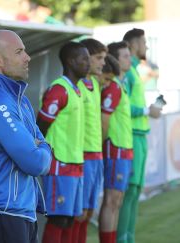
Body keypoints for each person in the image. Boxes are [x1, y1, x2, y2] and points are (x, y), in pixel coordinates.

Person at [0, 30, 51, 243]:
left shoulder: (20, 101)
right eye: (19, 52)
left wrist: (40, 147)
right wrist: (42, 148)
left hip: (20, 211)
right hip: (0, 214)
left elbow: (41, 147)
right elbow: (35, 163)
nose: (27, 57)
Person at [38, 41, 90, 243]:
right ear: (70, 61)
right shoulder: (59, 90)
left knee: (69, 220)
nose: (87, 63)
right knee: (58, 219)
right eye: (83, 59)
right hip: (59, 164)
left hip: (75, 164)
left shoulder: (76, 90)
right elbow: (40, 125)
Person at [116, 28, 161, 243]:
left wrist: (147, 110)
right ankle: (122, 239)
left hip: (140, 136)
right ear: (134, 45)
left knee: (135, 192)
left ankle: (129, 238)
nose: (147, 46)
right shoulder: (126, 73)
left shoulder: (134, 72)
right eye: (144, 42)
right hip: (130, 137)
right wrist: (145, 111)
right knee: (128, 193)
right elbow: (121, 107)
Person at [71, 38, 106, 243]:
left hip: (96, 155)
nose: (103, 62)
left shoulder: (94, 83)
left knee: (89, 212)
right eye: (98, 58)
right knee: (78, 214)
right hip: (81, 156)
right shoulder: (74, 85)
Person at [98, 54, 133, 243]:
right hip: (115, 149)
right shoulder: (112, 87)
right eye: (125, 56)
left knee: (117, 201)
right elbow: (104, 121)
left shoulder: (119, 86)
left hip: (124, 149)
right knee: (112, 200)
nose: (129, 60)